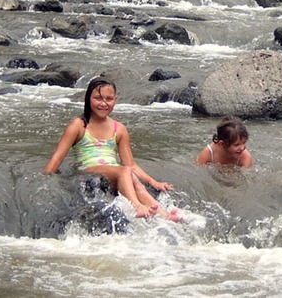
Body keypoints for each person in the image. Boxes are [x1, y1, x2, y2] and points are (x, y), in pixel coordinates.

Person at [43, 77, 180, 221]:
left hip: (115, 172)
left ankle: (161, 213)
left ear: (115, 100)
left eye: (109, 99)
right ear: (88, 98)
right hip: (87, 170)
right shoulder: (79, 125)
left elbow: (131, 164)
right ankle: (136, 206)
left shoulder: (119, 129)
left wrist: (154, 182)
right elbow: (57, 157)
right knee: (125, 171)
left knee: (136, 182)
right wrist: (44, 179)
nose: (103, 103)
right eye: (98, 98)